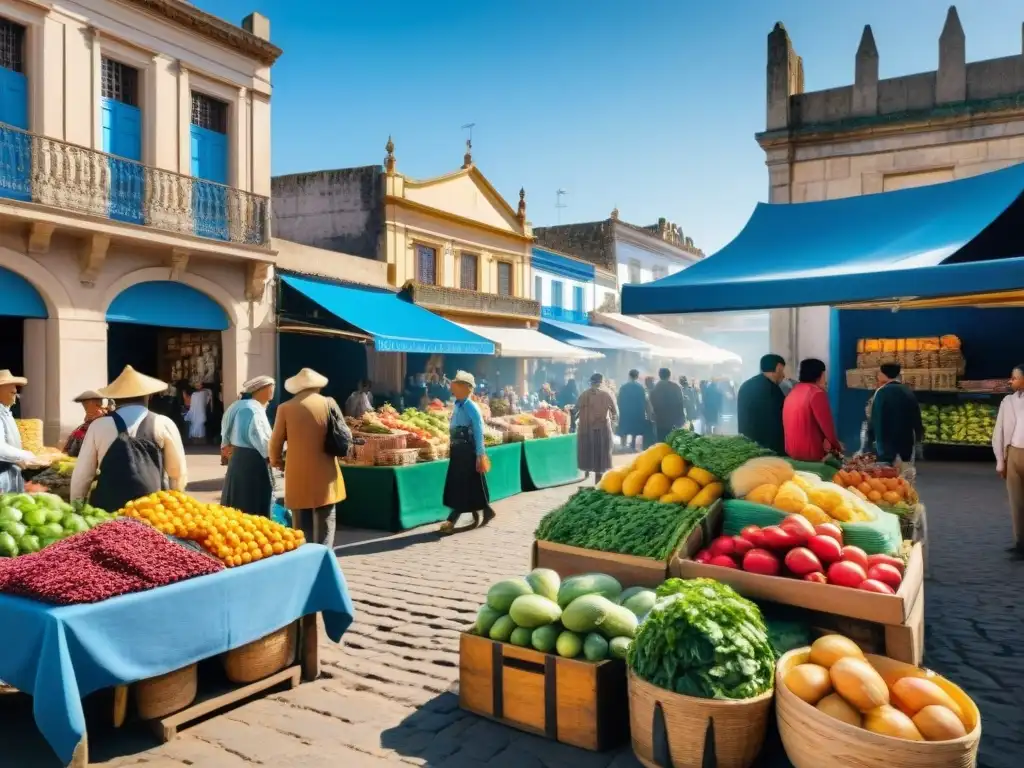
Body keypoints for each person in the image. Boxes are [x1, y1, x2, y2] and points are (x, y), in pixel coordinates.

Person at [71, 366, 187, 511]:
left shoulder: (98, 426)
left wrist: (76, 505)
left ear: (115, 397)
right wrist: (176, 503)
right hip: (151, 509)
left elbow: (83, 474)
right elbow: (177, 472)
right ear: (148, 396)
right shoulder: (163, 423)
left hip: (108, 509)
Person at [269, 368, 347, 548]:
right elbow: (344, 433)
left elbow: (275, 442)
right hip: (325, 468)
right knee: (326, 514)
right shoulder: (329, 403)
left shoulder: (285, 408)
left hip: (297, 470)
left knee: (300, 517)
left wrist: (277, 461)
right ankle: (324, 553)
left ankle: (303, 552)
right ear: (318, 387)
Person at [439, 371, 494, 535]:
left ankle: (452, 519)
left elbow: (478, 430)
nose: (453, 386)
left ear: (465, 387)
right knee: (471, 484)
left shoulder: (471, 406)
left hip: (466, 450)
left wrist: (480, 453)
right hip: (457, 449)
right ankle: (485, 510)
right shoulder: (457, 404)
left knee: (461, 484)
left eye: (457, 383)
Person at [221, 376, 276, 517]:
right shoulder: (252, 409)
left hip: (238, 459)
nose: (273, 390)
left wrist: (225, 445)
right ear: (262, 389)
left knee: (236, 501)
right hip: (252, 462)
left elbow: (225, 431)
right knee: (250, 503)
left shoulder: (238, 405)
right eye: (272, 387)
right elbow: (260, 437)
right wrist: (273, 456)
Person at [992, 364, 1024, 558]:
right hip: (1013, 453)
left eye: (1015, 377)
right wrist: (1000, 461)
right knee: (1016, 502)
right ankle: (1020, 543)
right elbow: (1000, 432)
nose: (1010, 381)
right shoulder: (1008, 401)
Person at [783, 358, 842, 462]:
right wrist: (837, 446)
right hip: (811, 452)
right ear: (820, 374)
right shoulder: (816, 393)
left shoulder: (794, 391)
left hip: (791, 450)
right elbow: (827, 427)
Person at [870, 363, 923, 465]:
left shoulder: (881, 392)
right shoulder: (908, 392)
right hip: (906, 443)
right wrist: (918, 438)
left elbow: (877, 418)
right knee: (904, 472)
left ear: (884, 375)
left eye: (879, 373)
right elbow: (916, 417)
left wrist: (873, 439)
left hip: (886, 443)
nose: (878, 376)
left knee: (887, 475)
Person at [736, 354, 787, 455]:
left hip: (747, 445)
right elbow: (779, 420)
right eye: (782, 370)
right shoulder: (773, 390)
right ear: (778, 368)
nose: (783, 375)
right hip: (768, 449)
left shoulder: (746, 385)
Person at [576, 372, 618, 481]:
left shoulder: (584, 394)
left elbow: (575, 409)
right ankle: (598, 478)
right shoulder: (606, 394)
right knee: (601, 454)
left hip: (587, 429)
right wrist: (613, 422)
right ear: (601, 382)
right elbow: (614, 412)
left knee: (589, 451)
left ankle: (586, 472)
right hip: (603, 429)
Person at [0, 370, 36, 493]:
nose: (15, 394)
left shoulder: (5, 412)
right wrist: (28, 456)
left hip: (10, 472)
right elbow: (1, 449)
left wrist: (18, 459)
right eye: (12, 392)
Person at [63, 390, 112, 457]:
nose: (84, 405)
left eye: (87, 402)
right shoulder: (88, 419)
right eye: (84, 402)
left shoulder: (102, 416)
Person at [650, 368, 686, 443]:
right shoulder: (675, 387)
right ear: (669, 375)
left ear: (659, 375)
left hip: (660, 419)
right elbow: (680, 402)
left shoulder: (655, 387)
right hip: (673, 420)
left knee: (661, 441)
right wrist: (682, 416)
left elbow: (652, 402)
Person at [617, 369, 650, 452]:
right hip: (637, 411)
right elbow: (644, 400)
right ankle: (633, 444)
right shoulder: (640, 387)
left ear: (629, 375)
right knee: (634, 429)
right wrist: (647, 411)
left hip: (626, 411)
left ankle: (623, 445)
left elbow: (619, 400)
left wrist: (620, 409)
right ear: (637, 376)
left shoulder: (623, 387)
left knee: (624, 428)